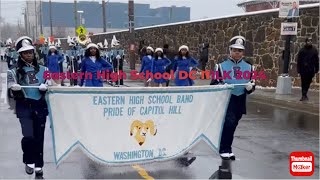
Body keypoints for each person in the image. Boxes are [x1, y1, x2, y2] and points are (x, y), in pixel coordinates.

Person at [6, 36, 49, 178]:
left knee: (39, 137)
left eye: (30, 52)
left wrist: (46, 86)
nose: (29, 54)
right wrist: (15, 89)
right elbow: (10, 91)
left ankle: (38, 167)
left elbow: (53, 85)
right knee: (29, 135)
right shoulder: (13, 71)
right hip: (24, 106)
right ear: (20, 54)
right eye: (25, 53)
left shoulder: (44, 69)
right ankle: (29, 160)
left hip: (40, 105)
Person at [210, 36, 255, 160]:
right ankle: (223, 149)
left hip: (240, 100)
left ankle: (228, 148)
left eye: (240, 51)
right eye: (235, 50)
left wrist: (250, 87)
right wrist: (222, 85)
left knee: (234, 124)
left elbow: (252, 84)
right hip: (226, 99)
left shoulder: (249, 67)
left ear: (243, 52)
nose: (237, 53)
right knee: (229, 123)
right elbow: (213, 83)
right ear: (230, 50)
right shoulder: (220, 66)